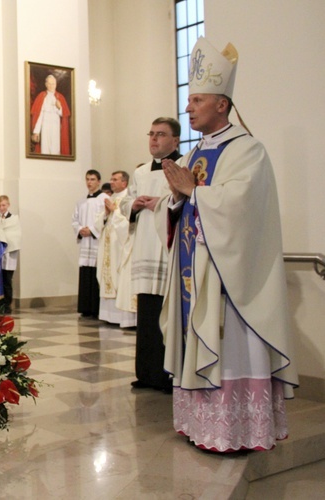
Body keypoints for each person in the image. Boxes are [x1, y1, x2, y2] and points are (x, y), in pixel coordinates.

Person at [158, 37, 297, 452]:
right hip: (193, 274)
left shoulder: (248, 150)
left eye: (196, 100)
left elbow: (243, 209)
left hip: (230, 282)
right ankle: (202, 425)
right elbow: (181, 203)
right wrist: (176, 199)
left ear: (221, 104)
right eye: (189, 100)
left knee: (232, 346)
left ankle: (236, 430)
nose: (188, 108)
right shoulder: (194, 152)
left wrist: (195, 193)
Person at [127, 117, 181, 393]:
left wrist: (163, 204)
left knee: (169, 316)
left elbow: (188, 202)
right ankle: (146, 373)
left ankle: (168, 375)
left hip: (169, 249)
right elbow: (126, 201)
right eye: (151, 133)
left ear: (175, 140)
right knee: (147, 316)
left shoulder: (184, 166)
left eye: (161, 134)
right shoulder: (140, 172)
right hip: (146, 248)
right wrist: (133, 206)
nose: (154, 139)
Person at [95, 170, 136, 328]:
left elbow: (128, 223)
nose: (111, 182)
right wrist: (105, 214)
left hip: (120, 247)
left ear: (124, 183)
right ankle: (109, 315)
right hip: (108, 247)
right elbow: (99, 222)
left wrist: (114, 211)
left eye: (115, 179)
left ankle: (121, 316)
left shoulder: (129, 198)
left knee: (119, 277)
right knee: (107, 275)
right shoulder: (110, 198)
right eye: (111, 179)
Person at [71, 170, 108, 318]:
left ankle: (96, 308)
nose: (89, 182)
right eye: (87, 179)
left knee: (96, 274)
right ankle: (85, 307)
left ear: (99, 181)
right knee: (86, 273)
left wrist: (92, 230)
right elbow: (74, 220)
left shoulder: (104, 199)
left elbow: (106, 218)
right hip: (85, 242)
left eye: (92, 179)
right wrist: (80, 229)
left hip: (97, 241)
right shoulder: (81, 201)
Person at [0, 195, 22, 314]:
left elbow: (15, 235)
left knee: (7, 281)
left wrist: (4, 238)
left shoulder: (14, 219)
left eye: (3, 205)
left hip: (9, 253)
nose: (1, 207)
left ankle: (7, 304)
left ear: (8, 205)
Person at [30, 74, 71, 155]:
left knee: (55, 147)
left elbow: (64, 115)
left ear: (56, 85)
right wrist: (36, 132)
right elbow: (39, 115)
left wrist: (59, 107)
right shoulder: (42, 96)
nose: (51, 86)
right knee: (45, 147)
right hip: (45, 124)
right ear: (46, 84)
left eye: (53, 84)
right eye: (49, 83)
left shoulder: (60, 97)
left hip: (55, 125)